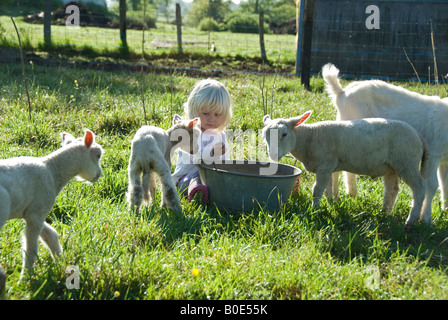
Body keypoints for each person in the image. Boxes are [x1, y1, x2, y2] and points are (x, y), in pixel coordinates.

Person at [172, 79, 233, 204]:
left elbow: (224, 161)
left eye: (217, 114)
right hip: (185, 179)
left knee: (226, 175)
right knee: (199, 173)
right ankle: (197, 193)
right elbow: (194, 158)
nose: (212, 119)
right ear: (194, 110)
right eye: (206, 113)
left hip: (211, 178)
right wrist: (211, 153)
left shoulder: (220, 136)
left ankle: (215, 195)